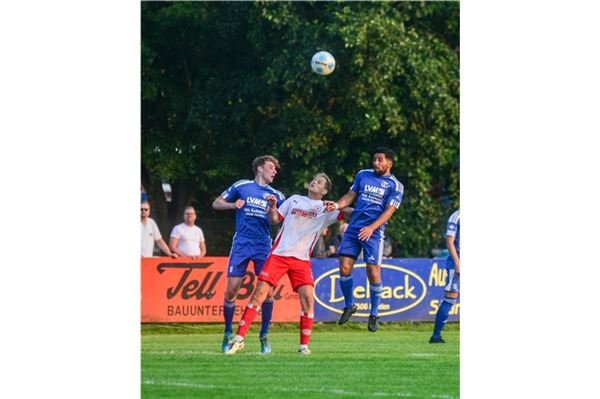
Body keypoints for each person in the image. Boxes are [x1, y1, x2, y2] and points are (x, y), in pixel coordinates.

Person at [224, 173, 351, 355]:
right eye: (314, 179)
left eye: (320, 182)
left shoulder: (326, 208)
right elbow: (274, 220)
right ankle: (239, 339)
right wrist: (273, 207)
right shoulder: (294, 200)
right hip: (279, 255)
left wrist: (340, 205)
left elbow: (351, 214)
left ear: (324, 191)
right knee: (260, 293)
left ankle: (303, 347)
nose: (315, 182)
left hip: (301, 260)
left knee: (308, 299)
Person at [325, 147, 403, 332]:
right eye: (374, 159)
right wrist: (336, 205)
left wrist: (371, 228)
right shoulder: (363, 175)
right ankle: (349, 305)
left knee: (372, 271)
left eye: (380, 160)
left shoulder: (395, 185)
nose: (376, 163)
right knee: (344, 267)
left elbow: (389, 212)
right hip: (354, 229)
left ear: (389, 163)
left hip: (374, 232)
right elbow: (351, 196)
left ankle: (374, 313)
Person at [212, 155, 285, 353]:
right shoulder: (242, 186)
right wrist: (232, 205)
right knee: (231, 291)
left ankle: (264, 335)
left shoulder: (276, 195)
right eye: (271, 167)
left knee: (267, 293)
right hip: (241, 244)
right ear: (260, 169)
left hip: (263, 245)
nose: (275, 171)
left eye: (275, 169)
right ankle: (228, 332)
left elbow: (276, 221)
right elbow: (216, 203)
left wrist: (272, 207)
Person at [430, 209, 460, 343]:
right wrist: (457, 263)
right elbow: (449, 241)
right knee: (450, 297)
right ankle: (436, 336)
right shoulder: (457, 216)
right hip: (457, 263)